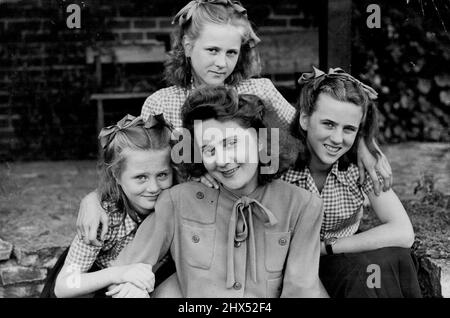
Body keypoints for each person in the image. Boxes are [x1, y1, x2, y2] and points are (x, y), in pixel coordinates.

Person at [76, 0, 392, 244]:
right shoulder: (161, 103)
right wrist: (94, 198)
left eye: (231, 52)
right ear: (187, 47)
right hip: (192, 222)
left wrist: (364, 144)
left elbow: (309, 129)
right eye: (212, 50)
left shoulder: (258, 91)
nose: (221, 62)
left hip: (255, 218)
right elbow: (135, 162)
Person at [107, 86, 328, 297]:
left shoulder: (302, 206)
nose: (222, 160)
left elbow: (301, 290)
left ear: (260, 140)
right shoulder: (177, 201)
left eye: (232, 143)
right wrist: (133, 286)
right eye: (208, 149)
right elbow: (125, 271)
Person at [282, 67, 422, 297]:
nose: (337, 139)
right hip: (291, 265)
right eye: (328, 124)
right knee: (360, 270)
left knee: (397, 256)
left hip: (340, 259)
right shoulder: (279, 163)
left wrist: (328, 247)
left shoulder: (359, 165)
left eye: (348, 129)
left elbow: (403, 232)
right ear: (305, 119)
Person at [44, 114, 177, 298]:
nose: (154, 188)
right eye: (141, 177)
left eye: (162, 175)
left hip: (153, 279)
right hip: (100, 284)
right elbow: (64, 285)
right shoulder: (104, 219)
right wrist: (121, 273)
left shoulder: (177, 201)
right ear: (116, 175)